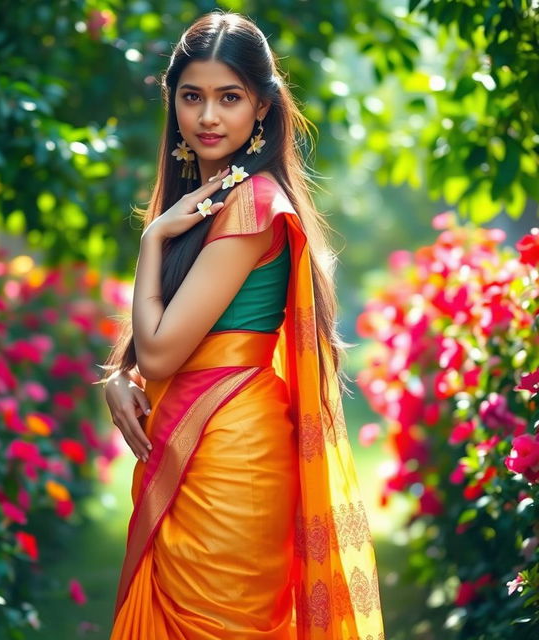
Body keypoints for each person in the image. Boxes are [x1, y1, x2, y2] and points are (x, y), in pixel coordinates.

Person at [100, 9, 386, 640]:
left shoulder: (252, 205)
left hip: (233, 451)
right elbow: (160, 342)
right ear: (172, 103)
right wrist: (118, 374)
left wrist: (151, 242)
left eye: (229, 98)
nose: (208, 116)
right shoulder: (208, 203)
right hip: (192, 437)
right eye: (192, 97)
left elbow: (163, 354)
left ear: (261, 106)